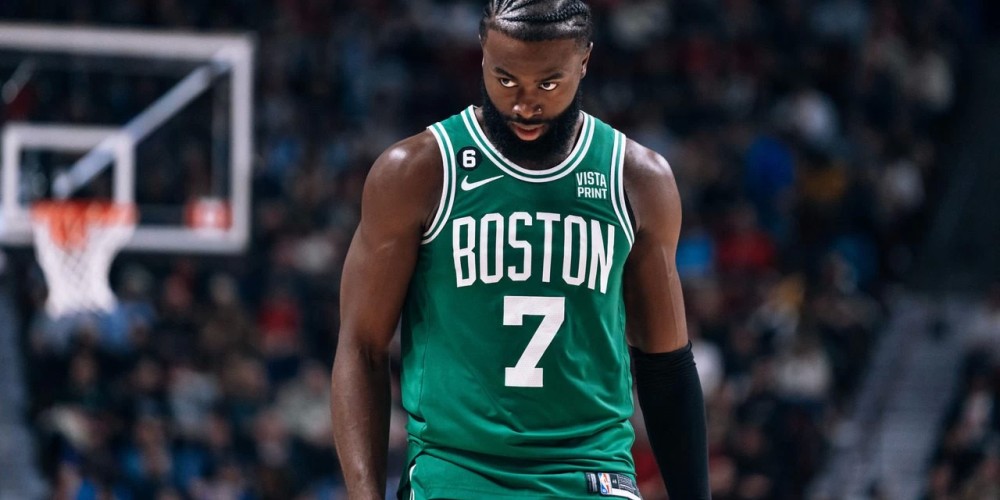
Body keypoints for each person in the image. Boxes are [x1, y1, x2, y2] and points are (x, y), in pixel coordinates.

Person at [331, 1, 710, 498]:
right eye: (505, 79)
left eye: (548, 84)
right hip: (457, 471)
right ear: (482, 53)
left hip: (592, 472)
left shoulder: (637, 179)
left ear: (584, 62)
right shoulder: (418, 171)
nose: (524, 104)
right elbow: (362, 346)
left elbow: (666, 365)